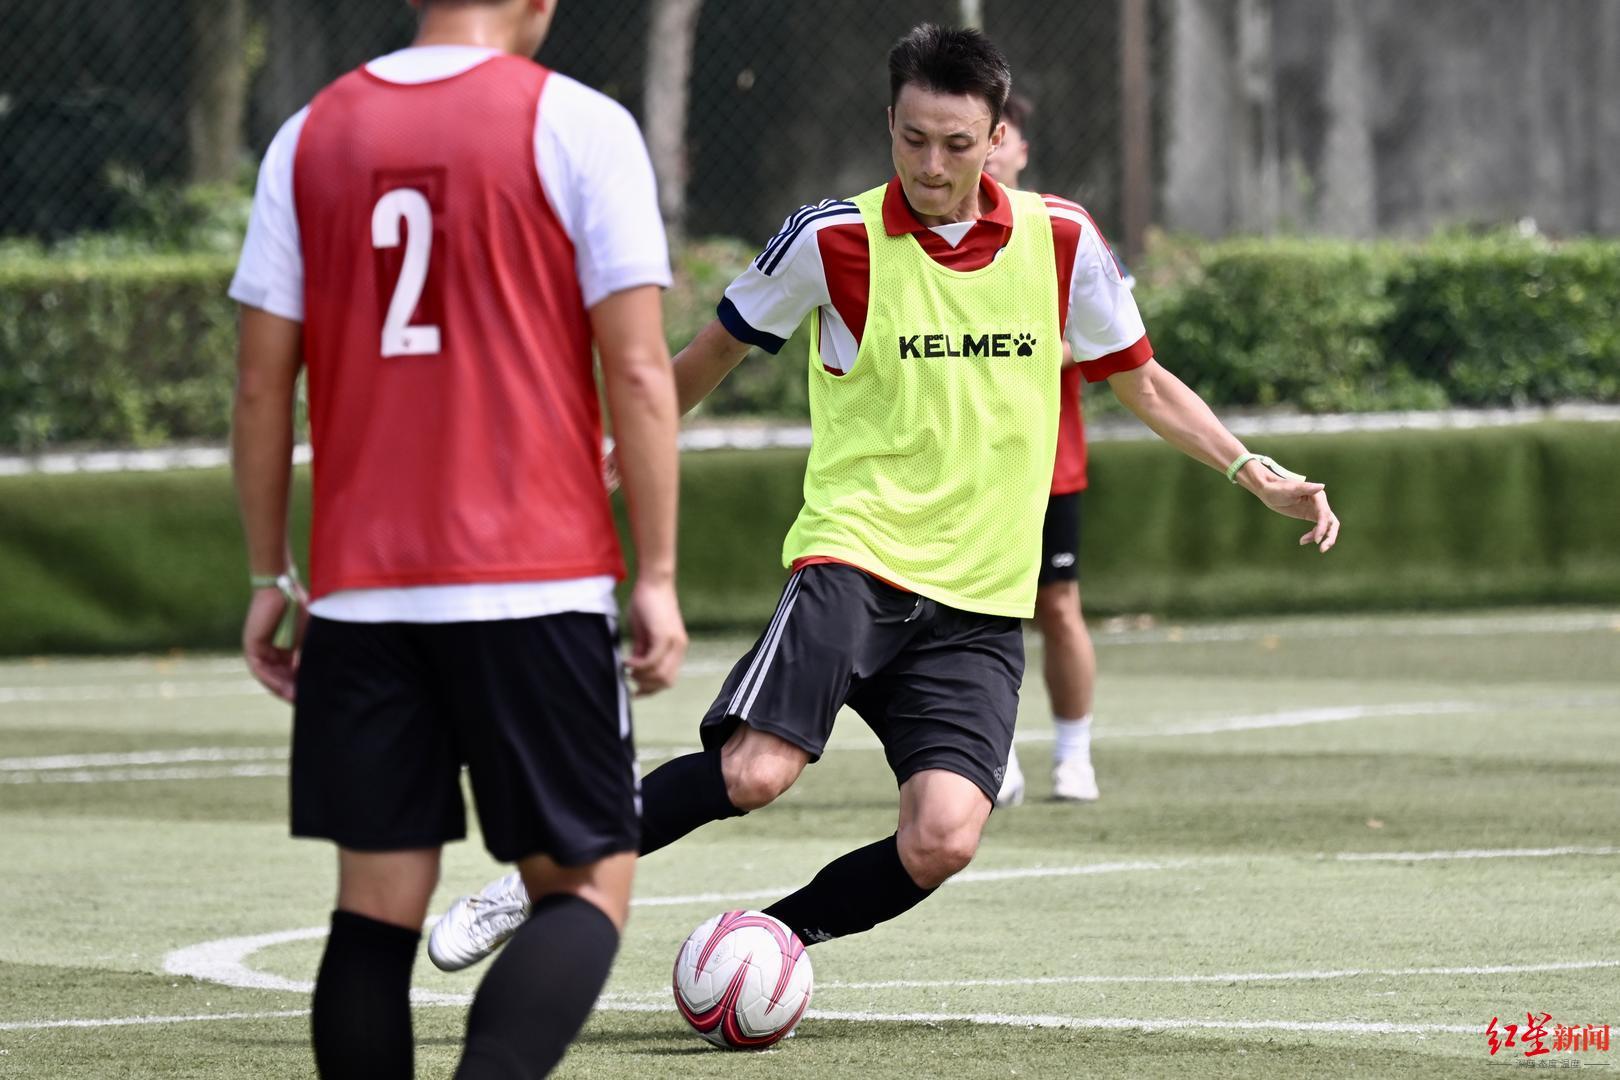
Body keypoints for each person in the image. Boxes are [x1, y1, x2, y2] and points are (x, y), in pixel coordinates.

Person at [427, 21, 1338, 975]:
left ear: (998, 139)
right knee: (754, 773)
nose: (932, 166)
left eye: (957, 143)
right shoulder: (833, 240)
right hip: (854, 561)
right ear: (888, 126)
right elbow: (713, 350)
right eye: (913, 139)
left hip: (980, 596)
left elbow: (1142, 380)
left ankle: (768, 948)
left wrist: (1249, 468)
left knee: (943, 836)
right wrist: (621, 447)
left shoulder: (1062, 239)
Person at [229, 0, 686, 1076]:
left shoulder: (308, 135)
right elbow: (636, 370)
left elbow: (259, 386)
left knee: (374, 909)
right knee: (587, 885)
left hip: (361, 591)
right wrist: (659, 571)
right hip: (537, 579)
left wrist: (269, 572)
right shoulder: (580, 124)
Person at [982, 92, 1113, 805]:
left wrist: (1017, 348)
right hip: (962, 463)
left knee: (1057, 605)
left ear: (1019, 149)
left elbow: (1107, 344)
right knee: (969, 610)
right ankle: (988, 754)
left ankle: (1074, 755)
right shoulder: (929, 240)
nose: (988, 149)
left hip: (1047, 461)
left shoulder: (1060, 232)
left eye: (999, 136)